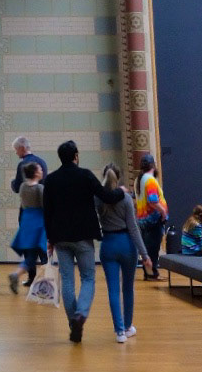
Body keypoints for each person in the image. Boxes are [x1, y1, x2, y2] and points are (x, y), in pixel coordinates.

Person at [42, 139, 126, 342]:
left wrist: (50, 239)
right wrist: (121, 191)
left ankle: (73, 323)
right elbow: (106, 196)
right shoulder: (85, 175)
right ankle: (80, 314)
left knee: (67, 280)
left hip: (61, 237)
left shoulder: (51, 180)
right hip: (84, 236)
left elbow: (47, 212)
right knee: (88, 277)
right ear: (76, 156)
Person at [97, 163, 151, 342]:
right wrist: (145, 254)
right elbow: (133, 228)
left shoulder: (98, 199)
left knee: (113, 289)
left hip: (108, 244)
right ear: (118, 178)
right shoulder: (126, 198)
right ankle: (128, 327)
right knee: (128, 288)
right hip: (126, 244)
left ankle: (119, 332)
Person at [9, 160, 47, 292]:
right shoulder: (40, 188)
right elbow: (45, 207)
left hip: (26, 221)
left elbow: (24, 205)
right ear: (35, 173)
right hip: (39, 223)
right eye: (40, 169)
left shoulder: (23, 187)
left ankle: (16, 274)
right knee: (45, 256)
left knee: (31, 256)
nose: (42, 171)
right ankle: (45, 285)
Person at [135, 153, 169, 279]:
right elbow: (153, 200)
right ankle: (152, 273)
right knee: (153, 248)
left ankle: (148, 272)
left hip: (143, 219)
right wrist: (163, 212)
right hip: (153, 219)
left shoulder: (139, 180)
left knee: (148, 246)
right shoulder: (150, 180)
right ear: (153, 166)